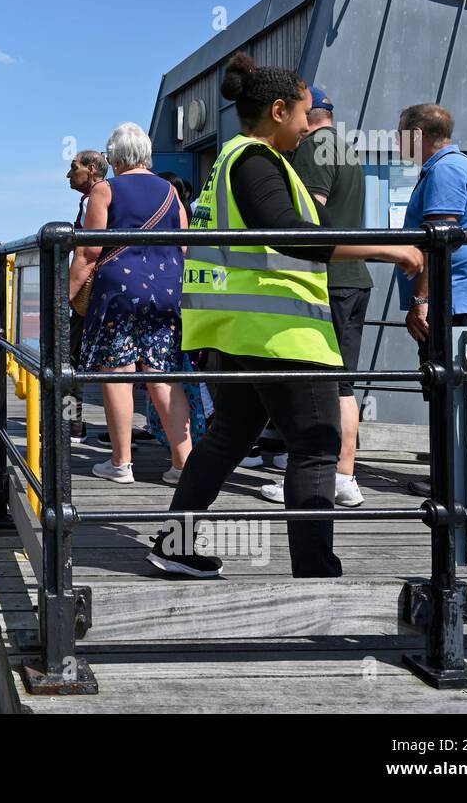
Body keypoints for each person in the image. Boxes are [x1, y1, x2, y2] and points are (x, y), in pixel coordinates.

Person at [149, 53, 424, 579]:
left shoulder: (230, 159)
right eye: (303, 114)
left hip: (237, 332)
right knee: (317, 446)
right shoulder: (257, 161)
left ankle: (174, 543)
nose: (308, 126)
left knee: (229, 436)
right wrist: (388, 248)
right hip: (282, 335)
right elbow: (287, 233)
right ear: (278, 111)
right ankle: (317, 575)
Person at [266, 87, 371, 507]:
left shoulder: (315, 149)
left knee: (330, 384)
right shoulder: (345, 147)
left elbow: (310, 216)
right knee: (340, 381)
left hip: (329, 280)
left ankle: (334, 476)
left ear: (308, 115)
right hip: (351, 279)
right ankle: (338, 473)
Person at [71, 123, 193, 485]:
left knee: (118, 372)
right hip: (166, 293)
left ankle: (121, 463)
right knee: (162, 374)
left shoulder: (105, 190)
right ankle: (183, 464)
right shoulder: (171, 191)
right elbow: (185, 245)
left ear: (116, 156)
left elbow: (89, 251)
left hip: (119, 295)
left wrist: (68, 294)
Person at [396, 103, 467, 497]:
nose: (396, 141)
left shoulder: (445, 170)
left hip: (453, 307)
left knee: (448, 392)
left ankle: (450, 483)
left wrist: (419, 300)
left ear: (419, 134)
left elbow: (441, 242)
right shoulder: (453, 167)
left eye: (400, 133)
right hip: (463, 303)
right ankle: (455, 478)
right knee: (453, 393)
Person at [65, 149, 109, 444]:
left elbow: (87, 252)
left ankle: (72, 424)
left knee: (68, 360)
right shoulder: (112, 197)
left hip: (90, 297)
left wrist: (63, 296)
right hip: (117, 294)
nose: (69, 175)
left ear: (91, 169)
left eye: (74, 167)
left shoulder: (93, 200)